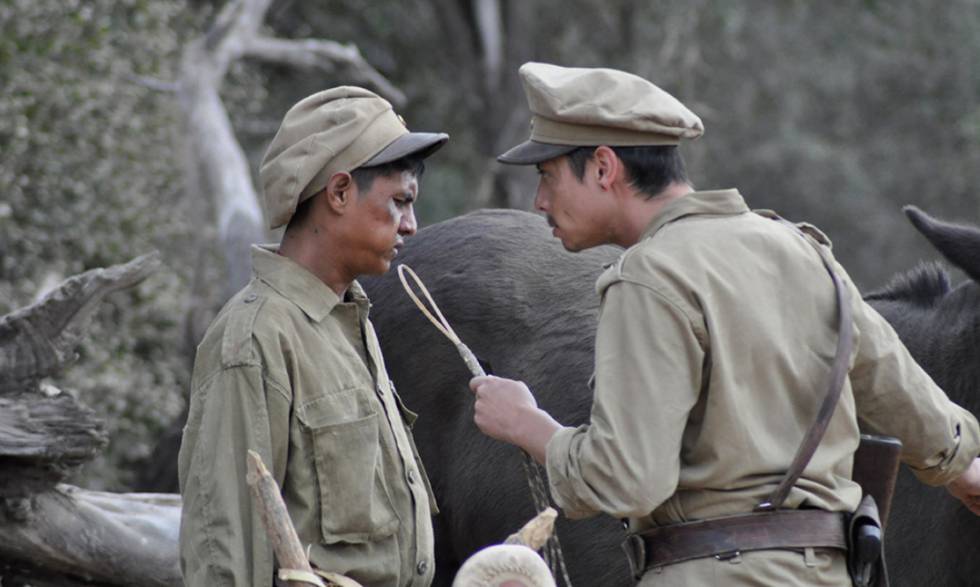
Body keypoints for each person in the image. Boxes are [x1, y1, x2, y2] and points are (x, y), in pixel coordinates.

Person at [468, 62, 980, 586]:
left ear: (603, 167)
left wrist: (531, 427)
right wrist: (962, 469)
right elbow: (893, 382)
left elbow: (629, 480)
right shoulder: (802, 250)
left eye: (547, 176)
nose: (540, 202)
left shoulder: (647, 276)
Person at [179, 87, 447, 587]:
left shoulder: (349, 322)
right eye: (400, 202)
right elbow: (225, 553)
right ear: (340, 192)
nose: (411, 225)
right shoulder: (253, 340)